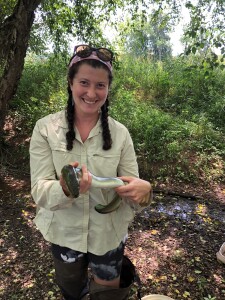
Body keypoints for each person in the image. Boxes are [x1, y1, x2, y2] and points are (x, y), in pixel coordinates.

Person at [29, 44, 152, 300]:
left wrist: (145, 193)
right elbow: (39, 189)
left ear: (108, 88)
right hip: (64, 235)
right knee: (72, 292)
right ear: (70, 83)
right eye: (84, 82)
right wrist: (64, 188)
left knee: (107, 295)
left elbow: (132, 190)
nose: (91, 93)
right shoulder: (45, 128)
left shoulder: (120, 135)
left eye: (100, 85)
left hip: (108, 235)